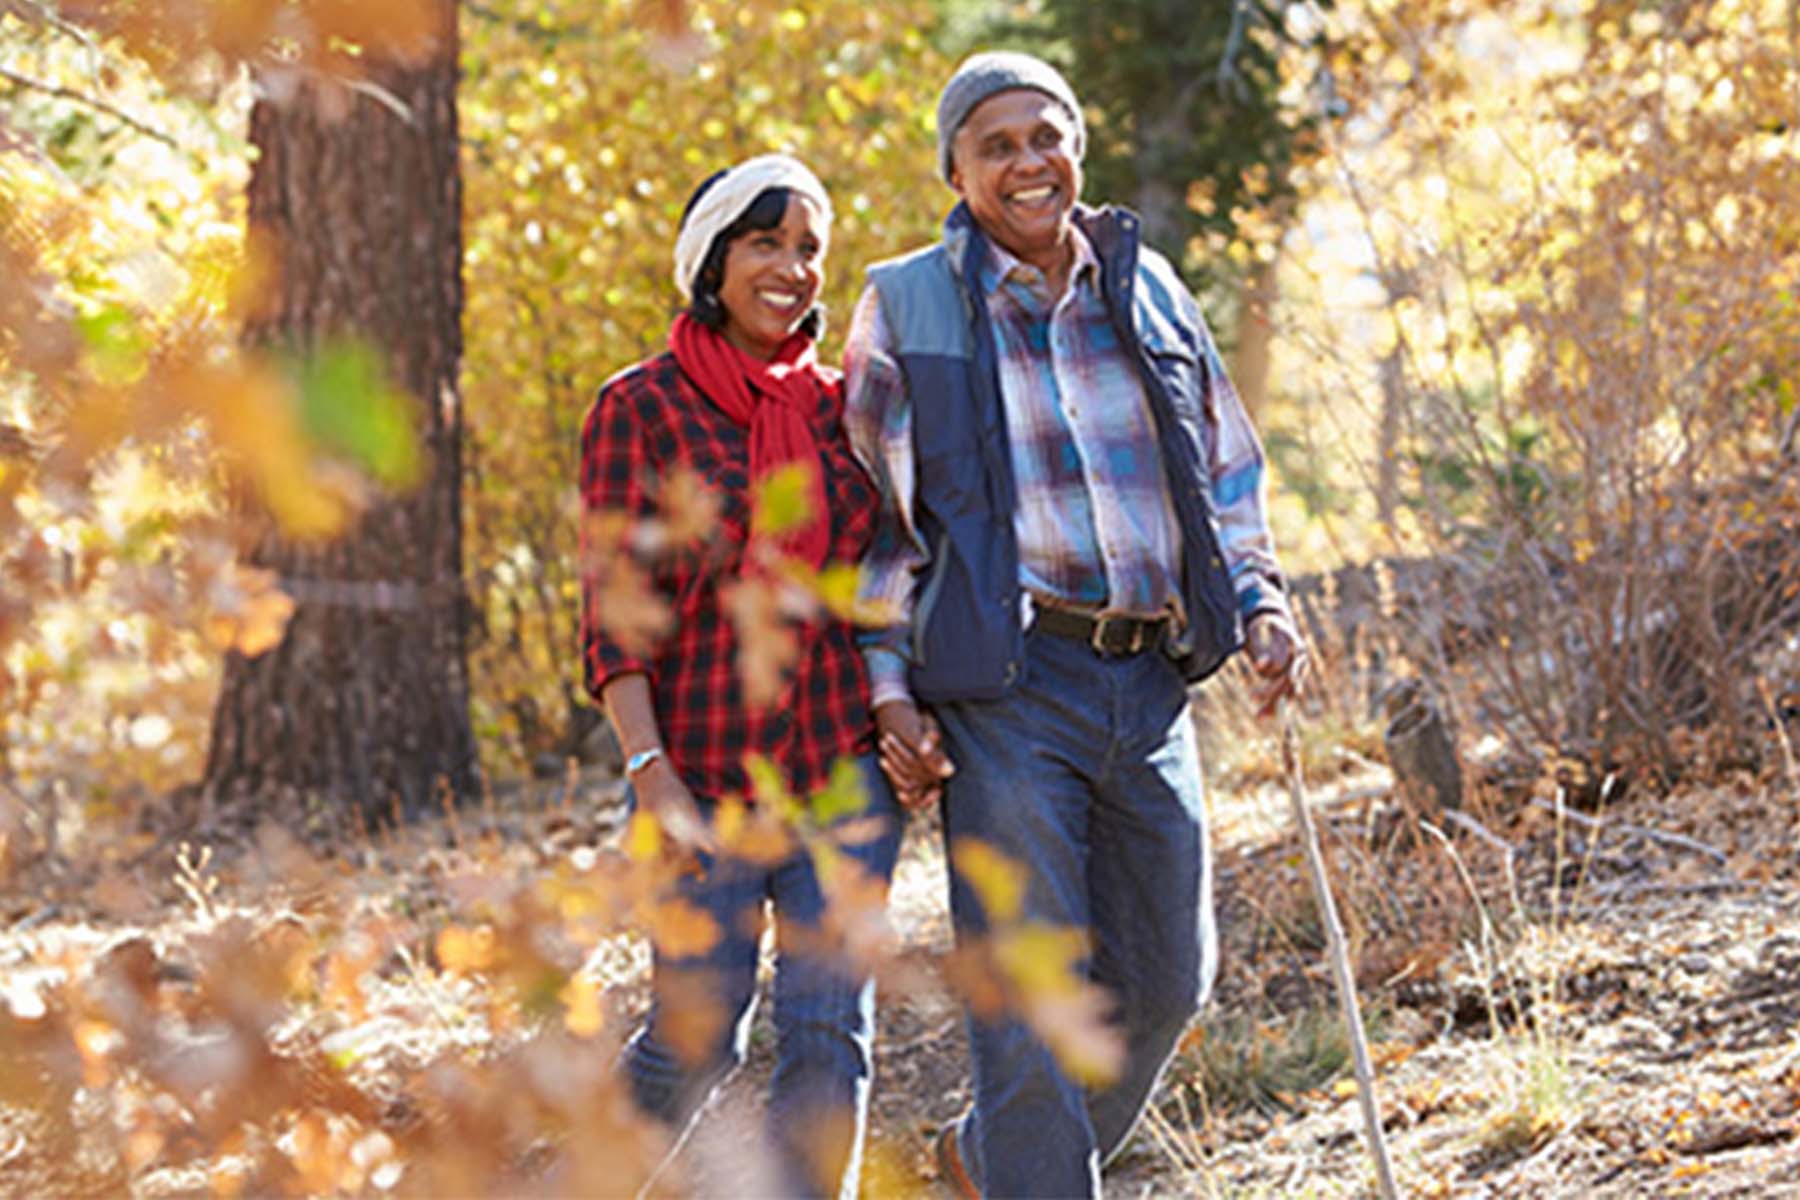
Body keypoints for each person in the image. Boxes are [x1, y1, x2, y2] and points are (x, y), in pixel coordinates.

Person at [844, 52, 1308, 1198]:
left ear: (1077, 147)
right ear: (954, 169)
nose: (1026, 163)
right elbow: (874, 525)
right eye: (994, 145)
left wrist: (1260, 601)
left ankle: (988, 1162)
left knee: (1166, 983)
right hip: (1006, 687)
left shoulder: (1148, 290)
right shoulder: (906, 304)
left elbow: (1225, 474)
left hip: (1147, 681)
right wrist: (889, 687)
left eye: (1043, 136)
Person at [579, 153, 901, 1200]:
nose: (794, 269)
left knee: (827, 1036)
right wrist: (651, 775)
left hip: (839, 776)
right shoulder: (640, 407)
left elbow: (885, 580)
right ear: (711, 260)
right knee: (695, 1041)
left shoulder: (843, 408)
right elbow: (618, 617)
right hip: (705, 780)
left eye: (810, 248)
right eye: (767, 243)